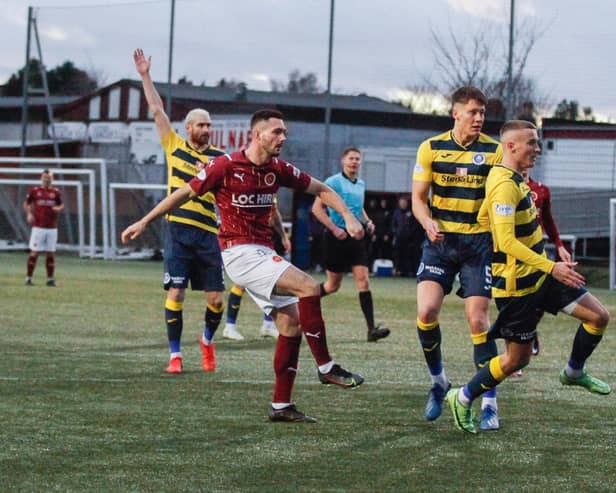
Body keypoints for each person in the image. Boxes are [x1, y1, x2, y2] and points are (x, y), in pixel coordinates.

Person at [122, 109, 365, 423]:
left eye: (284, 133)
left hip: (262, 252)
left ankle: (281, 405)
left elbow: (322, 189)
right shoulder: (225, 165)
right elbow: (182, 193)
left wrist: (347, 216)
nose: (283, 138)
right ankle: (326, 368)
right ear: (257, 134)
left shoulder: (278, 169)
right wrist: (144, 221)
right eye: (276, 132)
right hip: (238, 253)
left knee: (291, 323)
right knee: (308, 286)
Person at [445, 119, 610, 434]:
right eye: (532, 143)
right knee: (516, 361)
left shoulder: (512, 177)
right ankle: (462, 397)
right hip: (517, 289)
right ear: (511, 146)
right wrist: (552, 266)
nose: (538, 149)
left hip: (541, 276)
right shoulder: (505, 185)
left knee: (599, 317)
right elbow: (506, 242)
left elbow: (483, 218)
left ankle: (574, 372)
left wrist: (547, 262)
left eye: (537, 142)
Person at [412, 86, 503, 430]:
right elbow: (419, 198)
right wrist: (426, 222)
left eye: (483, 113)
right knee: (426, 311)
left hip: (478, 245)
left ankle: (490, 403)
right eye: (473, 112)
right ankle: (439, 383)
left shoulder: (494, 152)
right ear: (456, 113)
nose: (479, 118)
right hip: (440, 243)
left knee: (478, 320)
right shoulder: (431, 148)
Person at [134, 48, 225, 374]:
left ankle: (206, 340)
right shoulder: (174, 146)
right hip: (178, 231)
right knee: (176, 290)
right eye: (201, 125)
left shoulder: (221, 158)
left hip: (209, 234)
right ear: (188, 128)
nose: (206, 129)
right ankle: (175, 355)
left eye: (209, 125)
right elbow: (157, 110)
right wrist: (145, 75)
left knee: (215, 300)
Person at [312, 147, 390, 342]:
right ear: (343, 161)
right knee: (332, 286)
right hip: (336, 238)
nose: (354, 162)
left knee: (363, 280)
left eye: (357, 159)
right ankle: (301, 301)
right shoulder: (333, 182)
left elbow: (358, 207)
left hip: (356, 238)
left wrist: (368, 221)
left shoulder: (360, 183)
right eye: (351, 158)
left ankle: (371, 330)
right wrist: (333, 228)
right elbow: (317, 209)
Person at [222, 202, 290, 340]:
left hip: (266, 236)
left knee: (271, 280)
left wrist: (283, 236)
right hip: (248, 238)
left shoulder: (269, 185)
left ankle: (268, 324)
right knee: (241, 284)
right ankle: (229, 326)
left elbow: (274, 212)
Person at [525, 171, 572, 357]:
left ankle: (530, 330)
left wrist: (559, 245)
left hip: (537, 253)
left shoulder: (541, 190)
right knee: (516, 303)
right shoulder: (502, 185)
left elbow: (548, 220)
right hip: (510, 254)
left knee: (540, 299)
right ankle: (518, 349)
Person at [24, 169, 64, 287]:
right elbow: (26, 203)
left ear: (52, 179)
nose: (47, 179)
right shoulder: (35, 191)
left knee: (50, 253)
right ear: (41, 178)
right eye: (45, 177)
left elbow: (61, 204)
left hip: (52, 228)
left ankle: (50, 279)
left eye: (49, 177)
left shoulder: (56, 192)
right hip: (38, 227)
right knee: (34, 252)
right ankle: (29, 278)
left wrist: (58, 208)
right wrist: (29, 213)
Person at [390, 196, 421, 277]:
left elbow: (415, 225)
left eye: (404, 203)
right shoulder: (396, 213)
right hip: (399, 238)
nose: (403, 204)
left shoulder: (411, 212)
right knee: (397, 255)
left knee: (408, 256)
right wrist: (396, 232)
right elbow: (393, 224)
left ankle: (408, 272)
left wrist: (410, 233)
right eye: (401, 203)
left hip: (409, 239)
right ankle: (398, 271)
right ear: (399, 204)